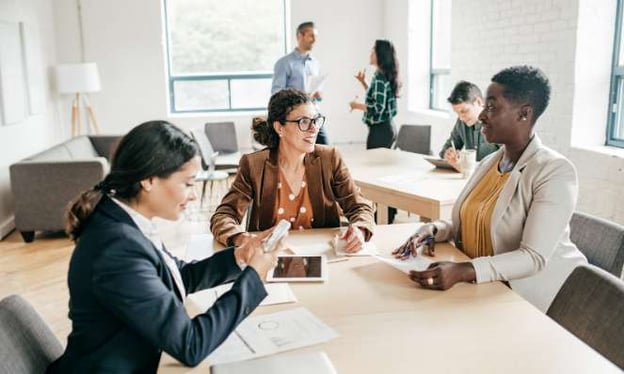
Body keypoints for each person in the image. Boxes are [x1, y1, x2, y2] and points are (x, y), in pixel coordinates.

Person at [48, 121, 278, 372]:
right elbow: (191, 345)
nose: (193, 194)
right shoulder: (117, 248)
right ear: (149, 180)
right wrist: (254, 277)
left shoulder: (123, 220)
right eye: (188, 183)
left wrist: (240, 257)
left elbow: (176, 276)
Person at [392, 66, 587, 312]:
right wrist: (433, 229)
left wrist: (464, 270)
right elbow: (475, 222)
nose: (482, 115)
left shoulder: (554, 171)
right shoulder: (488, 162)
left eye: (492, 107)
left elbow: (533, 257)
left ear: (524, 114)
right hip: (486, 290)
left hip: (533, 301)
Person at [211, 88, 375, 253]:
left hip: (323, 256)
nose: (313, 129)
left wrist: (360, 230)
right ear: (279, 128)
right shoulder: (254, 165)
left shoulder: (330, 158)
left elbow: (359, 206)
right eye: (303, 121)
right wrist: (242, 238)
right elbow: (223, 215)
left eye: (315, 120)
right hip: (270, 258)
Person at [271, 21, 329, 145]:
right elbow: (276, 93)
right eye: (311, 36)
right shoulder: (284, 63)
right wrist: (299, 96)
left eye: (315, 37)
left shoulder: (315, 63)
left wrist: (318, 95)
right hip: (295, 118)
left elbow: (317, 91)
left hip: (313, 113)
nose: (314, 40)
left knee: (324, 148)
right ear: (300, 36)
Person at [350, 39, 400, 149]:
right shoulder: (382, 75)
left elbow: (377, 108)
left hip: (380, 131)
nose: (370, 54)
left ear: (380, 56)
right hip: (387, 128)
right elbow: (377, 97)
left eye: (373, 52)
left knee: (374, 165)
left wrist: (356, 105)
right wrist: (363, 82)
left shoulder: (379, 78)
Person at [439, 81, 499, 172]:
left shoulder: (500, 124)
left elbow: (507, 164)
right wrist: (448, 155)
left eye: (464, 111)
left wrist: (465, 166)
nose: (461, 117)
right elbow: (444, 150)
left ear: (479, 102)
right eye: (457, 113)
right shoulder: (462, 122)